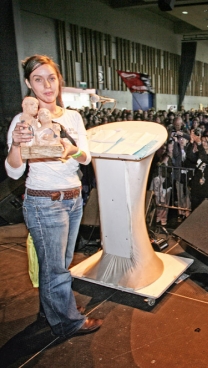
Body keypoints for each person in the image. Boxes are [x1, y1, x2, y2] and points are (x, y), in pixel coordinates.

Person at [5, 55, 102, 337]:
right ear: (28, 84)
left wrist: (71, 150)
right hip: (44, 202)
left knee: (60, 262)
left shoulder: (73, 117)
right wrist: (15, 144)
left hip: (73, 199)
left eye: (51, 77)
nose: (47, 85)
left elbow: (86, 157)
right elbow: (13, 172)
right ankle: (66, 322)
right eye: (38, 79)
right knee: (56, 268)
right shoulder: (22, 122)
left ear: (59, 79)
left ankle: (53, 310)